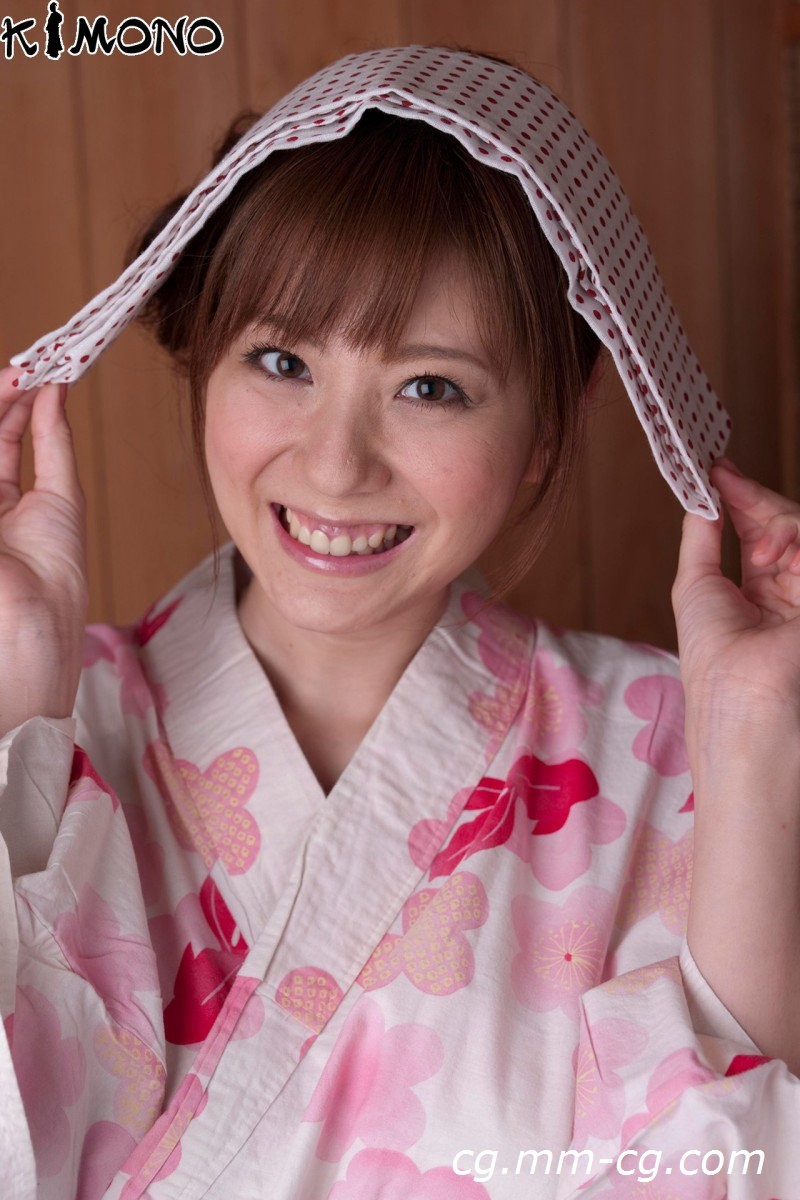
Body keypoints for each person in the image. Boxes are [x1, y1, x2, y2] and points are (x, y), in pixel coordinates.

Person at [1, 41, 799, 1200]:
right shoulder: (54, 723)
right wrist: (20, 685)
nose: (334, 464)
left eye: (430, 387)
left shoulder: (681, 749)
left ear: (547, 425)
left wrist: (755, 736)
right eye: (280, 360)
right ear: (204, 360)